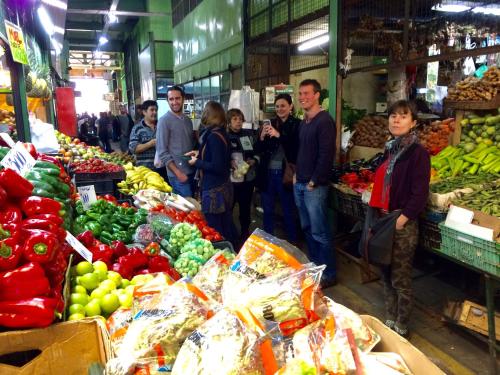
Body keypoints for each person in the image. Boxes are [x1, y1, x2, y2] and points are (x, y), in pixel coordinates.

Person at [368, 100, 430, 338]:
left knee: (400, 279)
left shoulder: (418, 154)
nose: (396, 120)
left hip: (401, 223)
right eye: (393, 115)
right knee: (384, 272)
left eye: (403, 116)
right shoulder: (390, 149)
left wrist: (402, 219)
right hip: (383, 219)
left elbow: (420, 193)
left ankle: (402, 327)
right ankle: (390, 318)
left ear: (413, 122)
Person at [294, 79, 336, 287]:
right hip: (300, 183)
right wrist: (296, 176)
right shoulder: (305, 121)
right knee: (308, 228)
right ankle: (315, 267)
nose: (302, 97)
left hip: (314, 186)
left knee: (319, 231)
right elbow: (302, 152)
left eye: (307, 93)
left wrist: (313, 180)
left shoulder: (324, 121)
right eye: (300, 94)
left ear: (317, 95)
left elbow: (326, 155)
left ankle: (329, 274)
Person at [186, 101, 235, 244]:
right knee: (225, 223)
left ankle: (224, 252)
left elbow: (217, 165)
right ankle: (231, 248)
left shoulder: (213, 136)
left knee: (216, 228)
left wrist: (197, 162)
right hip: (223, 186)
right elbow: (217, 156)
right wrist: (198, 153)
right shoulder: (221, 133)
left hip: (214, 190)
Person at [254, 93, 299, 243]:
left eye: (283, 106)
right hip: (267, 173)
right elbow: (258, 149)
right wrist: (261, 137)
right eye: (277, 106)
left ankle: (292, 243)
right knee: (268, 210)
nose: (280, 109)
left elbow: (295, 149)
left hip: (285, 173)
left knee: (288, 210)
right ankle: (268, 241)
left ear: (290, 106)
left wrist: (279, 135)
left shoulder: (297, 124)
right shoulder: (270, 123)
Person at [156, 86, 196, 197]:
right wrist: (178, 173)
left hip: (191, 171)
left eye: (177, 98)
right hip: (177, 175)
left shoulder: (188, 120)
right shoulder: (164, 121)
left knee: (188, 209)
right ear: (167, 101)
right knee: (188, 209)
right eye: (171, 99)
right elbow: (162, 152)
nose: (174, 102)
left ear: (183, 99)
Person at [227, 108, 257, 243]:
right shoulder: (225, 136)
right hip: (231, 181)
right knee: (229, 209)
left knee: (245, 210)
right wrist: (229, 161)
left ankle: (245, 234)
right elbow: (220, 156)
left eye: (240, 119)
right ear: (228, 122)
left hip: (247, 180)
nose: (238, 122)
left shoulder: (248, 135)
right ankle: (229, 236)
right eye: (235, 119)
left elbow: (256, 152)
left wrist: (253, 160)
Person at [129, 100, 159, 169]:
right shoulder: (137, 128)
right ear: (144, 112)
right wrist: (150, 144)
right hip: (144, 169)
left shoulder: (161, 126)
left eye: (156, 110)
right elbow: (133, 149)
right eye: (152, 110)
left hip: (162, 168)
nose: (155, 112)